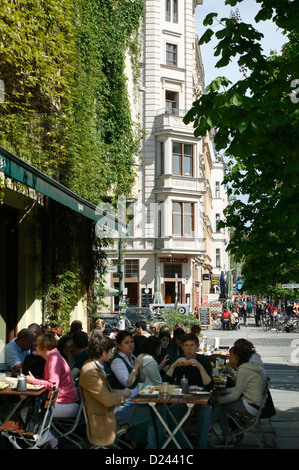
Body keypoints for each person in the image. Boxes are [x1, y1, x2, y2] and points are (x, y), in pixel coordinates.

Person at [109, 330, 165, 448]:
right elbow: (127, 383)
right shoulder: (117, 361)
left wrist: (140, 371)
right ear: (118, 346)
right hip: (120, 408)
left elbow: (141, 380)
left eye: (132, 342)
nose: (130, 345)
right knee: (157, 412)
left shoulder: (132, 357)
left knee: (158, 408)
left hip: (133, 403)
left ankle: (136, 440)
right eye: (126, 343)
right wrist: (135, 368)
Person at [23, 333, 79, 448]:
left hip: (66, 404)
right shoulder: (54, 356)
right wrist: (38, 380)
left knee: (25, 411)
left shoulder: (53, 359)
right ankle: (49, 440)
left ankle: (50, 440)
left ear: (44, 347)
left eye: (37, 345)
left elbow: (53, 384)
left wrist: (34, 381)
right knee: (29, 410)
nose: (35, 347)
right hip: (67, 402)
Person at [79, 335, 132, 447]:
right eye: (110, 351)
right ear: (103, 352)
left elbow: (108, 393)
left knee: (146, 411)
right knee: (148, 412)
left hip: (107, 409)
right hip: (103, 415)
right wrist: (123, 394)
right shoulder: (91, 371)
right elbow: (107, 400)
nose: (111, 353)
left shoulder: (94, 366)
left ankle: (134, 441)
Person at [210, 341, 264, 447]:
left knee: (218, 405)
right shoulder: (247, 367)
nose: (229, 358)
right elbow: (238, 388)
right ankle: (225, 436)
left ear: (236, 357)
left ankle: (209, 427)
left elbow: (235, 394)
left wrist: (217, 399)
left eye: (230, 356)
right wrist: (223, 392)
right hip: (254, 403)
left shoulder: (243, 369)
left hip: (250, 405)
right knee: (220, 403)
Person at [164, 333, 213, 449]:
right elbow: (165, 382)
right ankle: (183, 445)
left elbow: (209, 386)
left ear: (197, 347)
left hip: (200, 400)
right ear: (182, 347)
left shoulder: (204, 361)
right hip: (182, 400)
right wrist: (173, 366)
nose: (189, 349)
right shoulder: (178, 360)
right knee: (171, 412)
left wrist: (200, 368)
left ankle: (201, 446)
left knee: (205, 412)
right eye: (186, 345)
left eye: (192, 345)